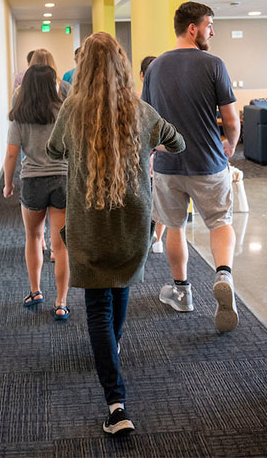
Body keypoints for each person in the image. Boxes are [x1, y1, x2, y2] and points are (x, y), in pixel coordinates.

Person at [46, 32, 184, 435]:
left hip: (89, 223)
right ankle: (113, 353)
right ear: (123, 65)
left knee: (97, 310)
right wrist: (149, 148)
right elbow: (178, 142)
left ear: (83, 67)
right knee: (119, 290)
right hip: (132, 222)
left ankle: (116, 404)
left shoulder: (72, 110)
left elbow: (54, 151)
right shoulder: (141, 112)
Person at [142, 1, 241, 333]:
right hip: (209, 162)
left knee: (174, 226)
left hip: (169, 164)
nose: (212, 31)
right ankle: (223, 274)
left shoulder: (154, 68)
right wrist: (229, 144)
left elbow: (149, 120)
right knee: (219, 222)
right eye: (209, 25)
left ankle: (182, 291)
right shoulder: (214, 65)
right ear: (192, 28)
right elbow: (230, 119)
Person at [3, 65, 70, 320]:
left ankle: (35, 291)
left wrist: (8, 184)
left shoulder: (20, 114)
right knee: (61, 246)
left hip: (32, 181)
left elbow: (11, 154)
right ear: (52, 84)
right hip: (62, 178)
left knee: (33, 237)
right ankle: (61, 303)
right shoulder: (64, 110)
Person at [139, 55, 167, 253]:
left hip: (152, 154)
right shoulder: (167, 97)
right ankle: (157, 238)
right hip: (159, 154)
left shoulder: (139, 102)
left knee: (151, 197)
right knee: (159, 198)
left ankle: (155, 238)